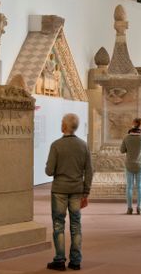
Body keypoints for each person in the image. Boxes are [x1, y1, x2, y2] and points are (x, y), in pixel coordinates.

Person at [45, 114, 93, 271]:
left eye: (61, 122)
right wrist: (86, 192)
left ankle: (59, 260)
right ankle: (76, 261)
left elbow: (49, 171)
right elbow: (89, 171)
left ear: (64, 126)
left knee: (58, 224)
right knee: (76, 225)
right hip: (77, 190)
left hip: (59, 189)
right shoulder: (83, 146)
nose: (61, 124)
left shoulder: (56, 145)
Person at [120, 118, 141, 215]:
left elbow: (122, 150)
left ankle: (129, 208)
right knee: (140, 187)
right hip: (140, 164)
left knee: (129, 187)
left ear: (133, 125)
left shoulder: (126, 137)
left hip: (129, 164)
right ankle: (139, 208)